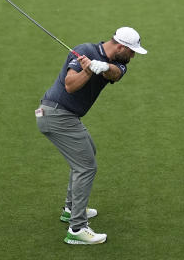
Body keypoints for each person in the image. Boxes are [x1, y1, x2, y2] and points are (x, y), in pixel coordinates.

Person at [36, 27, 147, 245]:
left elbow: (115, 73)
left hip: (64, 115)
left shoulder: (120, 63)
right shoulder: (84, 50)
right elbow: (69, 86)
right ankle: (77, 228)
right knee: (86, 166)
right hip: (56, 114)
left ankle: (70, 208)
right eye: (131, 51)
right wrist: (87, 70)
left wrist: (103, 66)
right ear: (120, 46)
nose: (133, 56)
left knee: (88, 153)